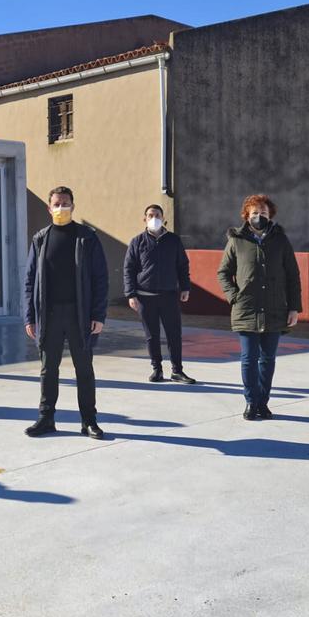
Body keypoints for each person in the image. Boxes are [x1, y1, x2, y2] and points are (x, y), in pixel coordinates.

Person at [23, 186, 109, 440]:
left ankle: (89, 421)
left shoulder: (87, 238)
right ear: (49, 208)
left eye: (66, 203)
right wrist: (30, 316)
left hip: (79, 314)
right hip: (49, 315)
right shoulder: (40, 239)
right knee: (48, 370)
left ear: (73, 206)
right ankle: (46, 418)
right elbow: (30, 280)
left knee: (84, 369)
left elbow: (100, 278)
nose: (61, 208)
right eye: (57, 203)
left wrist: (98, 315)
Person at [216, 194, 302, 421]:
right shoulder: (236, 240)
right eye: (254, 213)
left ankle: (263, 403)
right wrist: (234, 297)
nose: (258, 216)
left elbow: (293, 275)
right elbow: (223, 272)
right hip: (246, 309)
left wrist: (294, 307)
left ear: (270, 215)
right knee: (248, 358)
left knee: (268, 359)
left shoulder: (281, 240)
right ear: (247, 216)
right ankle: (250, 402)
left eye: (263, 212)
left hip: (275, 310)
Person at [124, 204, 197, 384]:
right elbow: (129, 269)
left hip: (169, 296)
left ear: (163, 219)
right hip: (144, 297)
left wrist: (185, 287)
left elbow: (182, 266)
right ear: (145, 219)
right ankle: (157, 369)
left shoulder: (173, 240)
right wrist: (131, 294)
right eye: (150, 215)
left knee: (174, 334)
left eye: (157, 214)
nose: (154, 217)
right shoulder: (137, 242)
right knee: (152, 335)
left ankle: (177, 371)